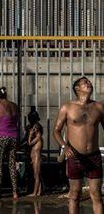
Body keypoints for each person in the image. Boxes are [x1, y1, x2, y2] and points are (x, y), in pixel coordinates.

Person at [53, 76, 104, 214]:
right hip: (74, 156)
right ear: (77, 88)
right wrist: (65, 146)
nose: (89, 83)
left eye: (89, 82)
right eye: (85, 82)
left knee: (97, 195)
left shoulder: (98, 107)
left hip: (94, 156)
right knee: (75, 195)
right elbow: (56, 131)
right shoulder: (67, 107)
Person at [28, 113, 43, 197]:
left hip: (36, 157)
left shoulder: (38, 138)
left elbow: (29, 143)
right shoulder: (38, 138)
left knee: (36, 175)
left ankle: (34, 192)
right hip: (35, 156)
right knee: (38, 175)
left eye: (33, 129)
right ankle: (39, 191)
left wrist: (30, 135)